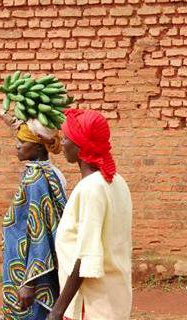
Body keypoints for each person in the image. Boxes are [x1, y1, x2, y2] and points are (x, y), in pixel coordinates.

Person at [47, 109, 133, 320]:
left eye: (67, 138)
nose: (63, 143)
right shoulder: (116, 182)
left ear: (80, 144)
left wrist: (58, 310)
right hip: (114, 297)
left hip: (92, 304)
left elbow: (86, 257)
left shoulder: (91, 189)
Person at [1, 120, 69, 320]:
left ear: (38, 147)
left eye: (23, 142)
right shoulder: (48, 172)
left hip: (29, 273)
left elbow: (38, 231)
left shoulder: (36, 179)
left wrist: (29, 283)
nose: (17, 145)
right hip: (28, 266)